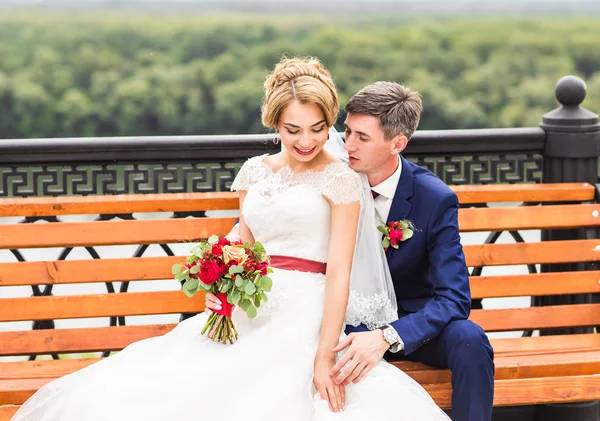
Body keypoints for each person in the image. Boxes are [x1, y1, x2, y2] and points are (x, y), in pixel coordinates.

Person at [10, 57, 449, 421]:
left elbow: (339, 274)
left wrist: (321, 355)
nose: (307, 140)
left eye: (317, 128)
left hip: (307, 308)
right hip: (248, 305)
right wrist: (220, 281)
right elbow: (245, 242)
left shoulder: (339, 178)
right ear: (274, 122)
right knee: (170, 385)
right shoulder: (254, 172)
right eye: (293, 129)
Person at [208, 80, 496, 420]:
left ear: (397, 144)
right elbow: (267, 226)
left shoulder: (434, 199)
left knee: (470, 339)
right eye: (347, 131)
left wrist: (388, 336)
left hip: (409, 325)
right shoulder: (330, 169)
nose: (348, 144)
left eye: (363, 137)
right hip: (343, 322)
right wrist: (223, 277)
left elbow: (455, 299)